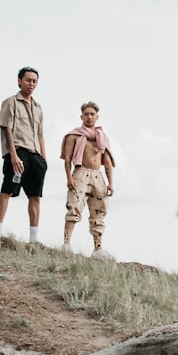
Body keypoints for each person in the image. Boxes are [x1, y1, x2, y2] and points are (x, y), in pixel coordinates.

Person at [0, 67, 47, 242]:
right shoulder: (11, 102)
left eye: (34, 81)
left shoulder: (39, 107)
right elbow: (6, 128)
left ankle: (34, 238)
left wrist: (43, 159)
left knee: (35, 196)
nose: (31, 83)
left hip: (35, 155)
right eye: (27, 80)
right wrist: (13, 154)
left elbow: (40, 134)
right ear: (19, 81)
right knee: (7, 189)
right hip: (18, 151)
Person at [60, 101, 115, 257]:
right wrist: (69, 177)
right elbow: (67, 159)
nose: (89, 117)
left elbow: (108, 161)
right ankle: (66, 243)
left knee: (99, 211)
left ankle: (98, 249)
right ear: (81, 116)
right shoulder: (74, 135)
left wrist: (111, 182)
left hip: (98, 176)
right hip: (80, 173)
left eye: (92, 114)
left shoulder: (102, 137)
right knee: (74, 207)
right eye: (86, 114)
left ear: (97, 117)